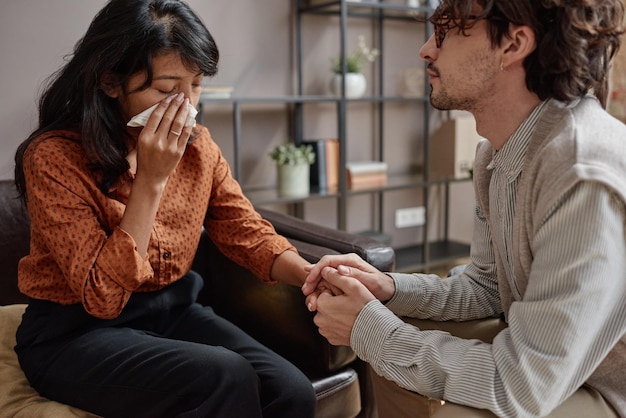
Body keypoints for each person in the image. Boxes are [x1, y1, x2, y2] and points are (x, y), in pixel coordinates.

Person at [302, 0, 626, 417]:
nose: (425, 50)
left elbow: (522, 386)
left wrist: (367, 328)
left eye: (446, 32)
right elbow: (487, 289)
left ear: (513, 44)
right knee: (389, 346)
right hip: (552, 366)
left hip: (605, 390)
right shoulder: (494, 154)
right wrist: (389, 288)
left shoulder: (581, 173)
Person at [13, 1, 317, 417]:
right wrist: (151, 180)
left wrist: (310, 274)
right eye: (165, 89)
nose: (186, 107)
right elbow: (102, 297)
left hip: (172, 311)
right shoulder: (53, 158)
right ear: (110, 82)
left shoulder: (199, 146)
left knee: (292, 390)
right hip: (74, 332)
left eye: (196, 85)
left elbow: (242, 227)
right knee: (225, 373)